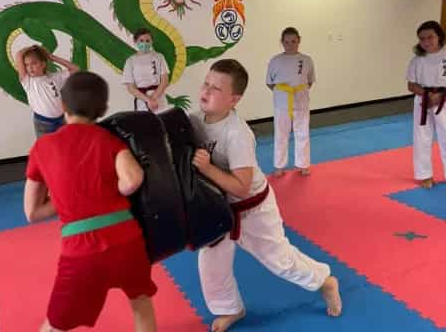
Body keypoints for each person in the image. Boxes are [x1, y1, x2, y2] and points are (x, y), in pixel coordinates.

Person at [190, 59, 342, 332]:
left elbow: (240, 186)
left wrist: (207, 168)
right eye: (206, 84)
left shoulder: (237, 134)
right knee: (210, 264)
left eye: (216, 89)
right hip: (217, 206)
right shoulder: (195, 120)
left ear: (234, 99)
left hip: (252, 209)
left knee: (280, 261)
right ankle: (230, 309)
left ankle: (324, 281)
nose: (206, 91)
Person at [23, 71, 158, 332]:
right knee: (141, 303)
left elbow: (33, 212)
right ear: (102, 110)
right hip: (127, 241)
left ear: (62, 105)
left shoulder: (42, 148)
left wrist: (67, 198)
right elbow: (132, 179)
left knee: (55, 325)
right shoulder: (110, 140)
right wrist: (112, 188)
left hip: (81, 249)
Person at [266, 27, 315, 177]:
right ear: (282, 42)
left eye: (293, 41)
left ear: (299, 40)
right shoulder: (275, 60)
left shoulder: (306, 60)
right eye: (287, 42)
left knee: (302, 133)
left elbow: (309, 81)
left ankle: (303, 164)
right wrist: (282, 93)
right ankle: (279, 166)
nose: (290, 44)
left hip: (301, 101)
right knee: (281, 134)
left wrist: (298, 91)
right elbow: (270, 83)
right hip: (281, 103)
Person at [407, 20, 446, 189]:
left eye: (430, 37)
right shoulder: (417, 60)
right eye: (422, 39)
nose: (426, 42)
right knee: (422, 137)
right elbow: (411, 85)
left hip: (444, 99)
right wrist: (427, 95)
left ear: (439, 37)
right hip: (423, 101)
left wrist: (440, 95)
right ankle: (425, 175)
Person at [15, 45, 79, 137]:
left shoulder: (54, 77)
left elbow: (75, 69)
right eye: (26, 65)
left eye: (34, 63)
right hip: (43, 123)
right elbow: (19, 55)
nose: (30, 67)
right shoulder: (28, 81)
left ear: (43, 64)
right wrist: (33, 48)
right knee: (46, 149)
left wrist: (52, 57)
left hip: (61, 119)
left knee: (65, 146)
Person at [122, 28, 170, 113]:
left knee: (163, 122)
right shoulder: (130, 61)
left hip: (159, 97)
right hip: (142, 99)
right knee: (145, 124)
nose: (145, 43)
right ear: (135, 42)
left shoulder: (159, 57)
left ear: (152, 42)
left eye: (147, 40)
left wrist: (154, 98)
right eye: (141, 40)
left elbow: (165, 81)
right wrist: (148, 100)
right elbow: (131, 87)